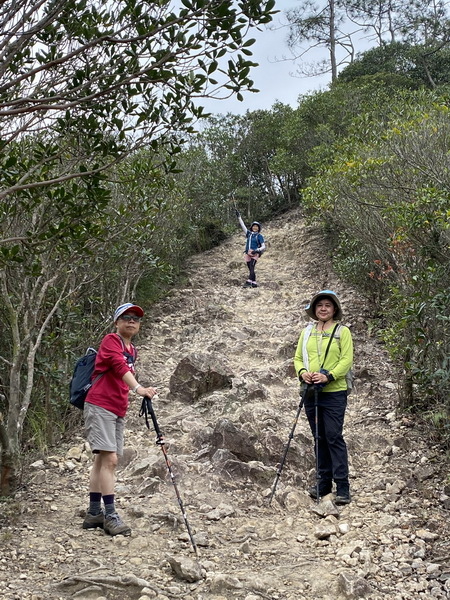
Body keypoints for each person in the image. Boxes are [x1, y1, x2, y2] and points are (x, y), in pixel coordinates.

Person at [82, 302, 157, 536]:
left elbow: (123, 373)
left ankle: (94, 512)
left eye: (136, 318)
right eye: (126, 317)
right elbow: (117, 366)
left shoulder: (132, 349)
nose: (132, 321)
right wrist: (139, 389)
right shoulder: (111, 341)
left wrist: (134, 392)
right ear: (117, 322)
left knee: (102, 460)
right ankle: (110, 515)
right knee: (111, 459)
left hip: (115, 408)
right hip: (100, 404)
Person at [293, 290, 353, 505]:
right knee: (318, 437)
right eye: (320, 305)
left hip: (334, 392)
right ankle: (323, 482)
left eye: (328, 305)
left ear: (334, 309)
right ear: (314, 309)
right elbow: (298, 358)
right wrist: (303, 373)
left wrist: (329, 376)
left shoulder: (342, 332)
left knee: (333, 436)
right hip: (311, 391)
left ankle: (343, 486)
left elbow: (346, 360)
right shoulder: (307, 332)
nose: (323, 308)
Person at [235, 209, 266, 288]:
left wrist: (257, 250)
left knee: (252, 267)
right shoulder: (248, 234)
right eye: (254, 226)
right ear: (252, 227)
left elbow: (263, 246)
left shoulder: (259, 236)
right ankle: (254, 283)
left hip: (255, 253)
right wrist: (239, 217)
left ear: (258, 228)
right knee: (250, 269)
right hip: (247, 253)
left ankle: (248, 282)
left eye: (257, 226)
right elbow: (243, 226)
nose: (255, 227)